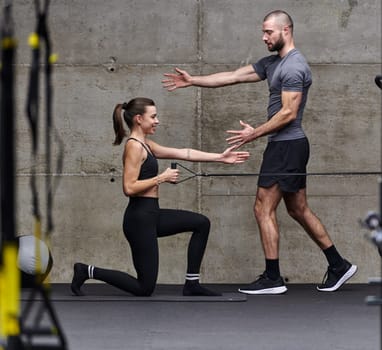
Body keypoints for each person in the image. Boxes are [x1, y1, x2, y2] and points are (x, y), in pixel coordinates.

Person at [162, 10, 357, 295]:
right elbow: (233, 76)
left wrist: (253, 134)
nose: (264, 37)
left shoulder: (293, 66)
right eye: (263, 32)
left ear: (286, 30)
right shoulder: (273, 63)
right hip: (288, 146)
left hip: (286, 145)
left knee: (262, 208)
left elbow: (289, 113)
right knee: (298, 209)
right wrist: (194, 80)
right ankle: (338, 265)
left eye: (269, 32)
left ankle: (273, 277)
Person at [70, 97, 250, 297]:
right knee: (144, 288)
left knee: (201, 223)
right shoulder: (134, 146)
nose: (157, 120)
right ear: (139, 118)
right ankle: (86, 270)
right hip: (139, 220)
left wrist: (220, 157)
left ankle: (192, 284)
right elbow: (129, 187)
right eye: (153, 116)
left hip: (152, 215)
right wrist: (161, 178)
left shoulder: (146, 144)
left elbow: (184, 153)